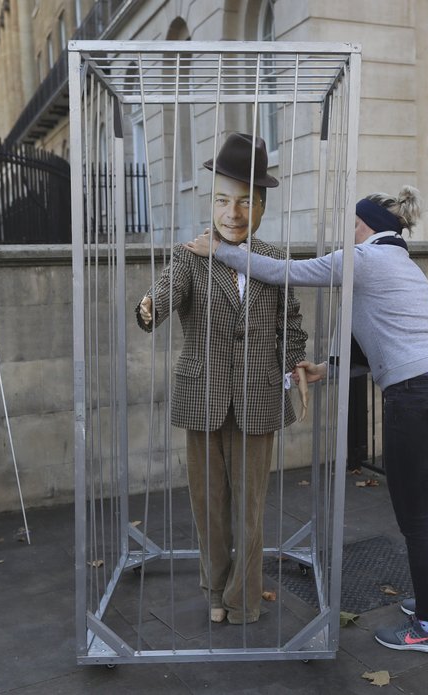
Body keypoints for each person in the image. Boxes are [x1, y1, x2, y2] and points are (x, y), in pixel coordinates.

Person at [186, 185, 428, 652]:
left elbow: (285, 272)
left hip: (422, 400)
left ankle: (426, 630)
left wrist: (220, 251)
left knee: (417, 520)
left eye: (351, 220)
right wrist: (327, 369)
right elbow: (382, 340)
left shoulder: (362, 258)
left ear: (363, 225)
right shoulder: (402, 264)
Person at [136, 133, 307, 625]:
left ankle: (243, 599)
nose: (233, 213)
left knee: (250, 510)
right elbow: (167, 290)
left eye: (245, 202)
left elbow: (289, 321)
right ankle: (214, 588)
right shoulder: (191, 254)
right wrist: (151, 307)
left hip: (257, 400)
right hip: (202, 398)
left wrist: (295, 366)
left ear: (261, 208)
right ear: (211, 202)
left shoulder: (273, 257)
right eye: (223, 201)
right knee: (209, 505)